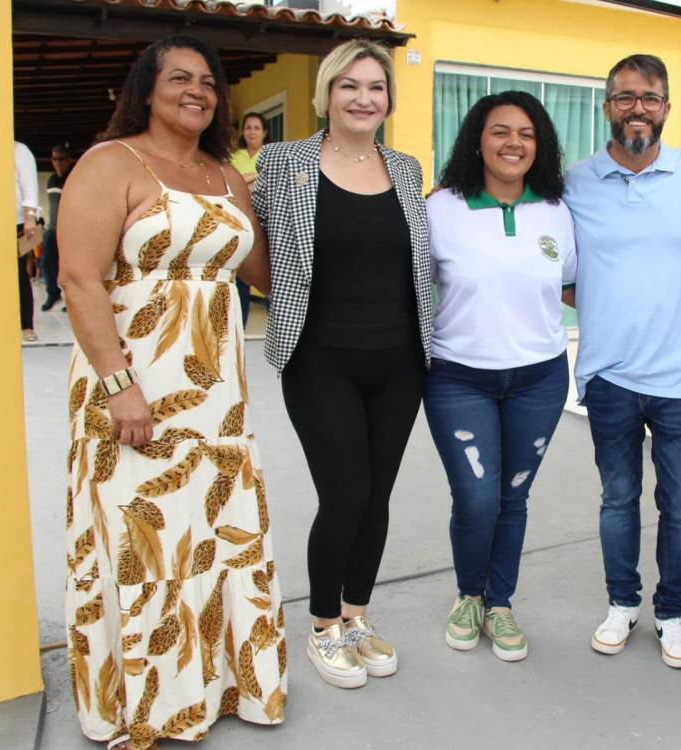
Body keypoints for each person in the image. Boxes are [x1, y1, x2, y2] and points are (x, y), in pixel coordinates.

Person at [57, 35, 284, 750]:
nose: (198, 91)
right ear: (147, 90)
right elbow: (79, 279)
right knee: (143, 539)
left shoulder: (224, 175)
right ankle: (148, 704)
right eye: (180, 78)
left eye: (209, 83)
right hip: (136, 387)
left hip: (217, 393)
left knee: (215, 532)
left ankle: (217, 685)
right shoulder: (110, 163)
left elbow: (264, 274)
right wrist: (120, 386)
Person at [251, 39, 432, 690]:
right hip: (319, 357)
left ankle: (357, 615)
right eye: (349, 85)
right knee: (346, 492)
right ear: (325, 93)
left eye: (376, 87)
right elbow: (247, 236)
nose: (363, 98)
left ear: (389, 99)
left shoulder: (406, 168)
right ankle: (323, 624)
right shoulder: (284, 161)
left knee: (377, 495)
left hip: (400, 361)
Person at [565, 54, 681, 669]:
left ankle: (672, 614)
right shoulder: (576, 181)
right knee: (617, 498)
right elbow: (549, 262)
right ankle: (621, 604)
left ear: (666, 108)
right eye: (625, 97)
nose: (638, 107)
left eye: (650, 97)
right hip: (608, 374)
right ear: (608, 107)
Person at [426, 91, 576, 663]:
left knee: (514, 495)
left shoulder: (558, 211)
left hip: (539, 377)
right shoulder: (440, 208)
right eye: (500, 131)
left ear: (540, 146)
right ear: (477, 139)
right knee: (477, 496)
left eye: (527, 134)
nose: (514, 143)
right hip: (458, 377)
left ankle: (500, 603)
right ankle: (469, 594)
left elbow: (570, 286)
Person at [229, 112, 270, 326]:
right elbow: (230, 184)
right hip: (241, 219)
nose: (252, 131)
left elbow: (272, 184)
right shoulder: (234, 157)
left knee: (273, 275)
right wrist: (257, 177)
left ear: (264, 132)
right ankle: (240, 328)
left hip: (268, 222)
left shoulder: (272, 154)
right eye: (248, 128)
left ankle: (279, 327)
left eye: (256, 128)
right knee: (240, 278)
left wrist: (245, 183)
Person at [40, 144, 75, 311]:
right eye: (54, 159)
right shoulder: (51, 180)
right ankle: (53, 293)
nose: (58, 163)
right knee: (46, 263)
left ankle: (72, 300)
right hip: (52, 229)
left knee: (70, 267)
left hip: (70, 231)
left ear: (69, 160)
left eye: (61, 159)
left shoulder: (74, 179)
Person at [15, 140, 39, 341]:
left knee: (19, 274)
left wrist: (30, 218)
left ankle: (27, 326)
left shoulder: (20, 150)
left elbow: (29, 188)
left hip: (18, 223)